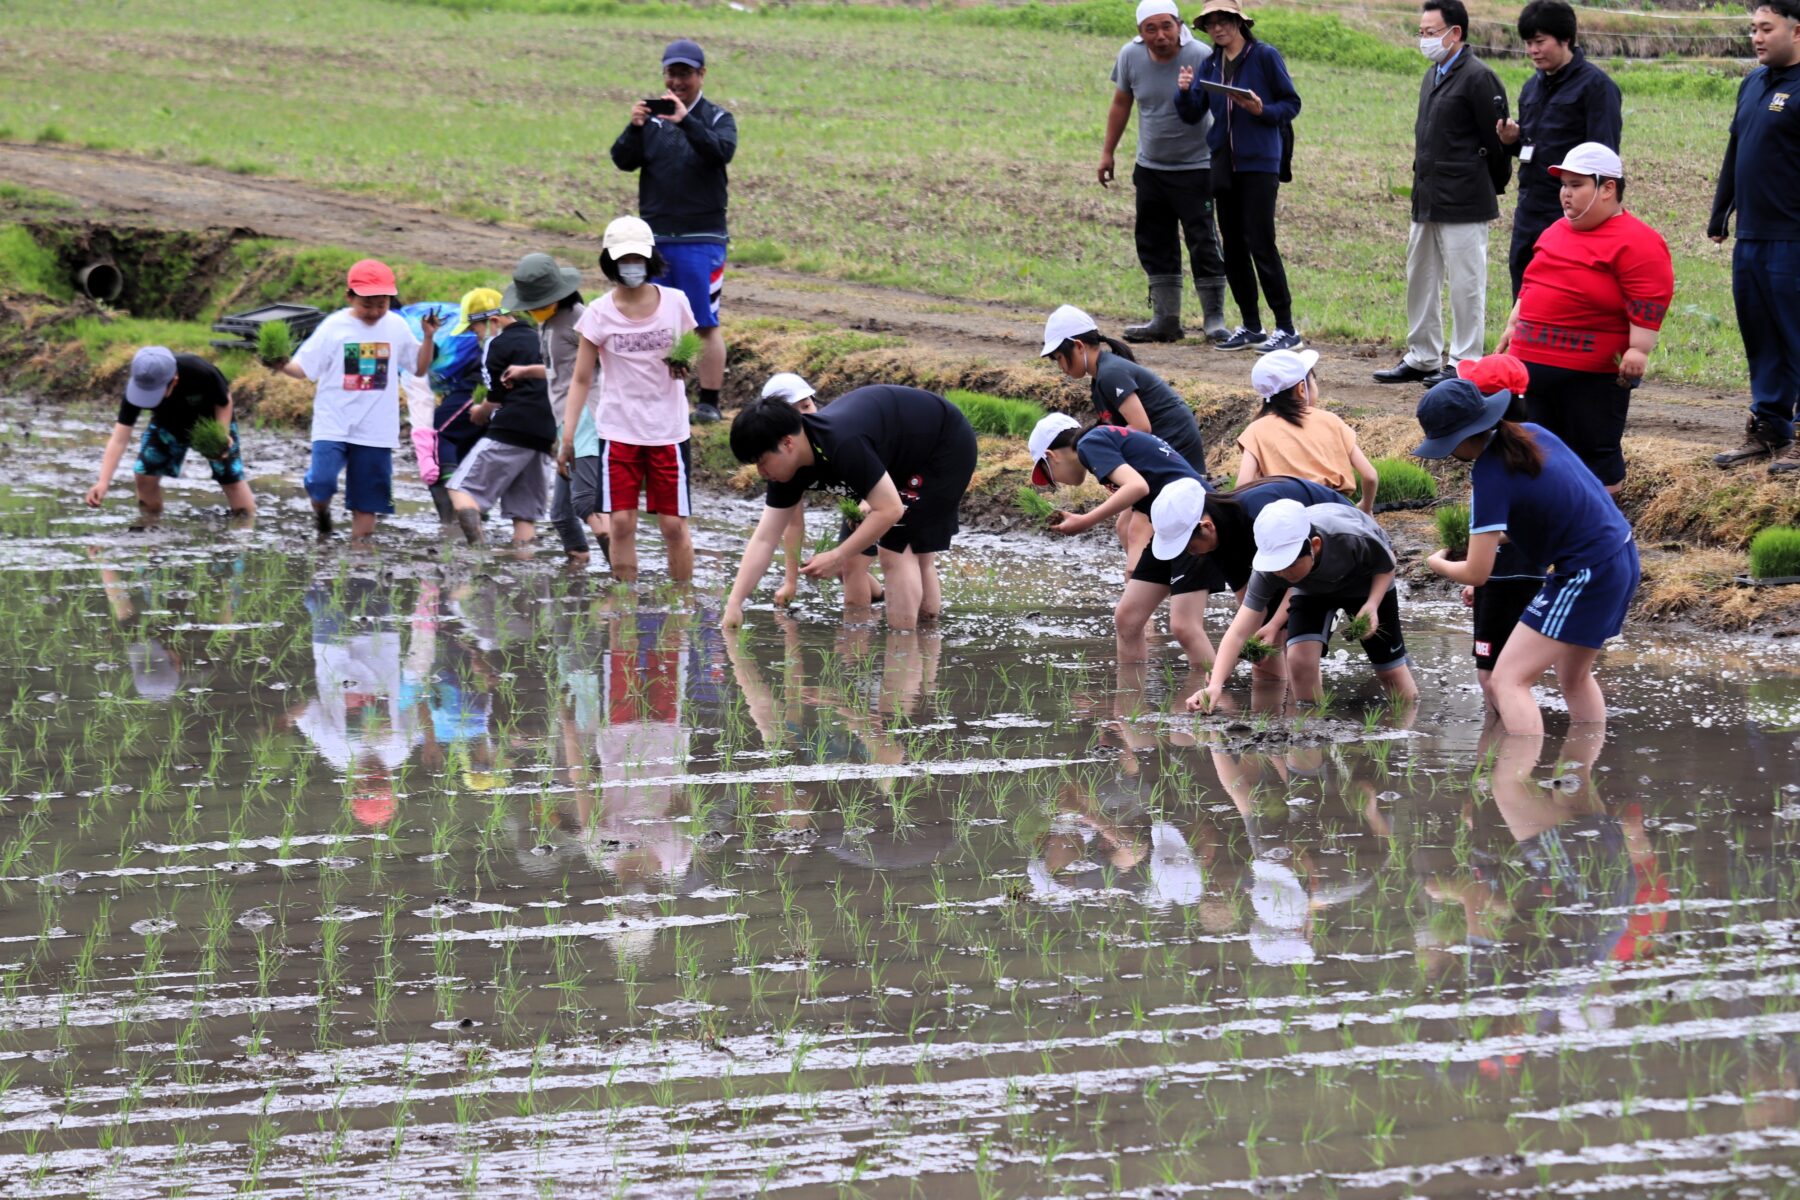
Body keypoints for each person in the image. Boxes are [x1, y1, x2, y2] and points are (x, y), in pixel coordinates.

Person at [1413, 378, 1637, 734]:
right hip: (1621, 554)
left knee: (1508, 681)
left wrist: (1436, 563)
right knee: (1574, 677)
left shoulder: (1489, 474)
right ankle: (1581, 779)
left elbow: (1477, 574)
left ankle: (1514, 783)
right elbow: (1548, 511)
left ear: (1461, 439)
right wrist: (1486, 539)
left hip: (1586, 572)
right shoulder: (1531, 434)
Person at [722, 386, 978, 632]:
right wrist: (734, 604)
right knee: (915, 551)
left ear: (787, 443)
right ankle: (926, 642)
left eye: (762, 461)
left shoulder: (841, 443)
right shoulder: (786, 471)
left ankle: (904, 654)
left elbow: (890, 510)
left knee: (895, 548)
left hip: (943, 443)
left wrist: (837, 556)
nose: (761, 472)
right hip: (900, 453)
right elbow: (766, 538)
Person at [1495, 143, 1673, 495]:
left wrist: (1639, 349)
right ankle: (1546, 522)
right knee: (1532, 448)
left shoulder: (1639, 241)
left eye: (1577, 185)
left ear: (1608, 188)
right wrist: (1513, 326)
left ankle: (1598, 529)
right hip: (1531, 368)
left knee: (1595, 453)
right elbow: (1532, 283)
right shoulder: (1555, 231)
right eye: (1564, 185)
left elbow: (1649, 296)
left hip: (1591, 376)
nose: (1566, 194)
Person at [1374, 0, 1511, 388]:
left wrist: (1487, 187)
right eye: (1422, 33)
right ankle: (1423, 355)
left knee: (1467, 284)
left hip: (1466, 198)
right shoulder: (1432, 74)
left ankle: (1465, 362)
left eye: (1431, 33)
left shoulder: (1479, 77)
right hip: (1428, 194)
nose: (1425, 40)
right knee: (1420, 276)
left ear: (1456, 34)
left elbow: (1496, 142)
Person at [559, 216, 699, 584]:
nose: (631, 266)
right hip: (619, 430)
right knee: (621, 522)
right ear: (610, 261)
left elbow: (692, 352)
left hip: (667, 431)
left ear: (650, 258)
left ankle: (681, 604)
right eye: (624, 259)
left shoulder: (675, 304)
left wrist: (684, 364)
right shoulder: (598, 312)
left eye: (638, 258)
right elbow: (581, 378)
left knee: (672, 525)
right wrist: (569, 435)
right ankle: (626, 606)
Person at [1185, 497, 1419, 712]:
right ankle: (1310, 732)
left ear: (1314, 546)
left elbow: (1387, 565)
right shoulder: (1269, 571)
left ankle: (1407, 729)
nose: (1282, 572)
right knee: (1298, 660)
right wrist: (1215, 685)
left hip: (1365, 583)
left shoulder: (1348, 537)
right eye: (1277, 566)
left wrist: (1372, 605)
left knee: (1390, 671)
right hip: (1311, 591)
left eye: (1288, 564)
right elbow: (1238, 632)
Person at [1027, 413, 1224, 664]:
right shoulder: (1102, 441)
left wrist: (1085, 520)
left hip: (1196, 521)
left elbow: (1137, 487)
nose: (1056, 484)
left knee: (1185, 626)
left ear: (1052, 456)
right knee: (1127, 618)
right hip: (1169, 527)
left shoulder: (1090, 444)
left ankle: (1213, 696)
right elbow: (1144, 492)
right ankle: (1130, 700)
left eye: (1049, 477)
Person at [611, 38, 736, 425]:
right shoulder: (648, 121)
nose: (677, 81)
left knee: (703, 321)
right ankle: (657, 392)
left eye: (685, 73)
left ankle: (709, 402)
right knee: (652, 318)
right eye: (672, 73)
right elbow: (622, 160)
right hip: (655, 238)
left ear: (701, 75)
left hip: (702, 238)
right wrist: (633, 129)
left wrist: (686, 121)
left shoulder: (717, 118)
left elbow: (720, 153)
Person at [1175, 0, 1303, 353]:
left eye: (1225, 21)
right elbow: (1192, 114)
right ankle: (1251, 326)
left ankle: (1287, 328)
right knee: (1233, 247)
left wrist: (1262, 110)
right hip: (1223, 163)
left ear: (1239, 22)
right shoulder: (1210, 63)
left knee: (1261, 242)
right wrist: (1184, 91)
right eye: (1212, 23)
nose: (1218, 28)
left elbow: (1291, 104)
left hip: (1260, 163)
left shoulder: (1264, 56)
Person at [1099, 0, 1229, 343]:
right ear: (1140, 34)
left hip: (1197, 167)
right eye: (1150, 29)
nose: (1160, 36)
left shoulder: (1202, 56)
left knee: (1204, 242)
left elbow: (1220, 106)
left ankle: (1214, 319)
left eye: (1166, 27)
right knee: (1155, 242)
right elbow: (1121, 103)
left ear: (1180, 26)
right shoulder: (1130, 55)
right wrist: (1107, 153)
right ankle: (1165, 318)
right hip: (1150, 169)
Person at [1041, 305, 1208, 566]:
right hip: (1159, 451)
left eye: (1058, 357)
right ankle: (1144, 583)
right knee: (1124, 526)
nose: (1059, 366)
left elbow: (1141, 426)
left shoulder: (1110, 373)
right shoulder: (1099, 380)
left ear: (1078, 346)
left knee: (1137, 529)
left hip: (1174, 451)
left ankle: (1139, 584)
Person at [1708, 0, 1800, 472]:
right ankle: (1770, 428)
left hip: (1793, 237)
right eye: (1752, 29)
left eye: (1766, 28)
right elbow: (1736, 149)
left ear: (1797, 31)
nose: (1757, 37)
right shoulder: (1752, 82)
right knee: (1761, 336)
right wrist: (1721, 209)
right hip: (1752, 237)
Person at [280, 259, 431, 542]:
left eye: (381, 304)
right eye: (367, 304)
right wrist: (279, 364)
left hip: (376, 430)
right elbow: (303, 369)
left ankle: (359, 565)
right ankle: (322, 512)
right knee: (322, 483)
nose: (374, 311)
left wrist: (429, 337)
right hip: (333, 423)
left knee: (368, 501)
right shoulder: (333, 326)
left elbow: (419, 368)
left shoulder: (396, 326)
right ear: (349, 296)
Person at [1495, 1, 1622, 298]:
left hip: (1570, 210)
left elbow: (1605, 157)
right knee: (1524, 286)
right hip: (1529, 206)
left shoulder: (1597, 87)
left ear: (1565, 39)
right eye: (1528, 43)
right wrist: (1512, 140)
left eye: (1540, 42)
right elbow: (1531, 146)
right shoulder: (1531, 87)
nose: (1533, 50)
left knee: (1566, 292)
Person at [500, 252, 610, 565]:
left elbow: (606, 362)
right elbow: (558, 370)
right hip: (564, 421)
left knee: (585, 500)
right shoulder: (546, 323)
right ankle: (576, 574)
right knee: (561, 515)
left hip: (588, 416)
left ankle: (623, 577)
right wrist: (524, 371)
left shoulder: (579, 317)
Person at [1451, 354, 1547, 711]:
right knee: (1510, 671)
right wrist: (1475, 580)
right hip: (1517, 573)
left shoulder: (1495, 460)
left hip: (1504, 577)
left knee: (1491, 674)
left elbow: (1499, 531)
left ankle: (1500, 750)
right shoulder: (1531, 441)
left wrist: (1467, 571)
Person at [430, 297, 557, 547]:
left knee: (459, 489)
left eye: (474, 329)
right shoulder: (540, 337)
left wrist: (481, 411)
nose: (476, 337)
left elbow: (496, 394)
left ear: (494, 321)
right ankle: (526, 572)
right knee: (524, 514)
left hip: (511, 428)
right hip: (544, 432)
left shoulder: (495, 342)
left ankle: (477, 554)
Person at [84, 345, 255, 523]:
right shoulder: (137, 386)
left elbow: (224, 401)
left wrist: (222, 434)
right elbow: (119, 438)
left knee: (230, 477)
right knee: (144, 474)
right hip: (168, 424)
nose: (147, 398)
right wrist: (103, 482)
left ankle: (244, 533)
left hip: (211, 423)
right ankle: (150, 526)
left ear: (174, 380)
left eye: (154, 393)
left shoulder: (200, 371)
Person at [762, 373, 882, 613]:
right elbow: (793, 525)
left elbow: (887, 465)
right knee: (842, 568)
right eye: (794, 412)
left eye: (807, 405)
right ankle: (880, 599)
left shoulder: (837, 434)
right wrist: (790, 582)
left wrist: (870, 502)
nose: (805, 417)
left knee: (850, 564)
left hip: (886, 495)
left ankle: (855, 642)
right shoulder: (786, 460)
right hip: (856, 501)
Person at [1234, 348, 1379, 511]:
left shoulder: (1255, 430)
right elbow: (1370, 476)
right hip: (1336, 508)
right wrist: (1366, 507)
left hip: (1288, 515)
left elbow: (1242, 487)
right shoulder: (1330, 420)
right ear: (1302, 389)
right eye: (1314, 381)